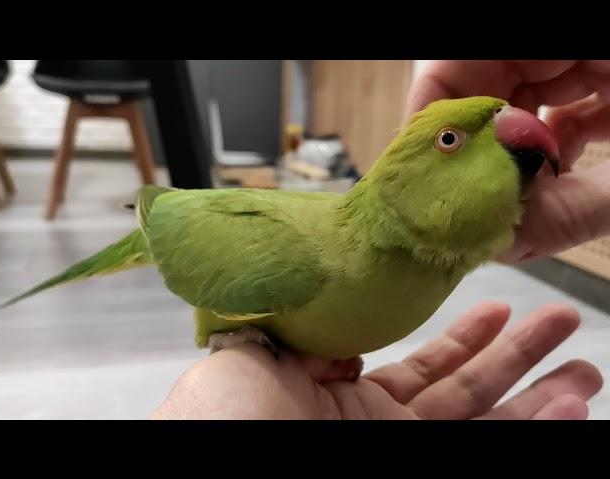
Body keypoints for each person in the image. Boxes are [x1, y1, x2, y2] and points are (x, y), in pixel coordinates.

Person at [152, 61, 608, 420]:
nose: (511, 124)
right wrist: (233, 346)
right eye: (449, 140)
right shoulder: (304, 262)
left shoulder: (439, 274)